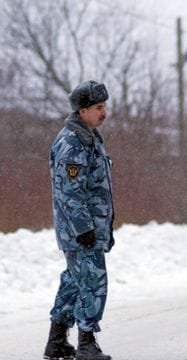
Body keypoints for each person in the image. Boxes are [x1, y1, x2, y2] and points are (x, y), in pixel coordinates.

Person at [44, 80, 114, 360]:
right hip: (80, 230)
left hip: (86, 228)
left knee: (75, 281)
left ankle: (57, 340)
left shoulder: (89, 137)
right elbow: (69, 191)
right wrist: (84, 227)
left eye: (105, 106)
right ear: (82, 111)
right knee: (92, 281)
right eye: (99, 107)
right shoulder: (73, 142)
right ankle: (87, 343)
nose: (104, 112)